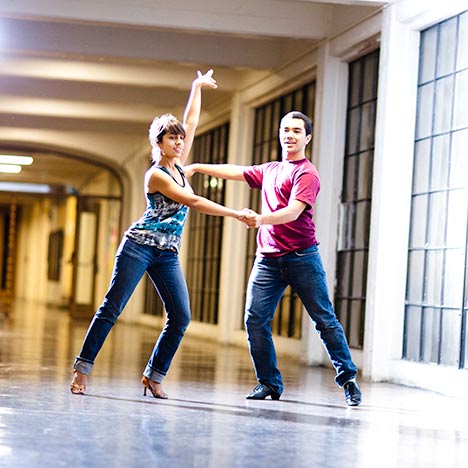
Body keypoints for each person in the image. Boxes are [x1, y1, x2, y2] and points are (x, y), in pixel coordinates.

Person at [70, 69, 248, 399]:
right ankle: (81, 371)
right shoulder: (157, 175)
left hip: (167, 252)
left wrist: (196, 87)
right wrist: (235, 213)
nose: (180, 142)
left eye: (181, 139)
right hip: (138, 247)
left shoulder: (179, 166)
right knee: (112, 308)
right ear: (159, 143)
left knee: (180, 316)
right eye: (173, 139)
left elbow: (191, 121)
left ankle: (153, 375)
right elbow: (193, 200)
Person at [184, 111, 362, 406]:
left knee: (324, 319)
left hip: (302, 257)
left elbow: (293, 211)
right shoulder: (270, 169)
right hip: (267, 259)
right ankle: (269, 383)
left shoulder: (306, 173)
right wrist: (198, 167)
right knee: (255, 319)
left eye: (295, 131)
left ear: (307, 138)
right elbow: (237, 171)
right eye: (285, 129)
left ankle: (348, 380)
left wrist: (261, 219)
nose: (289, 135)